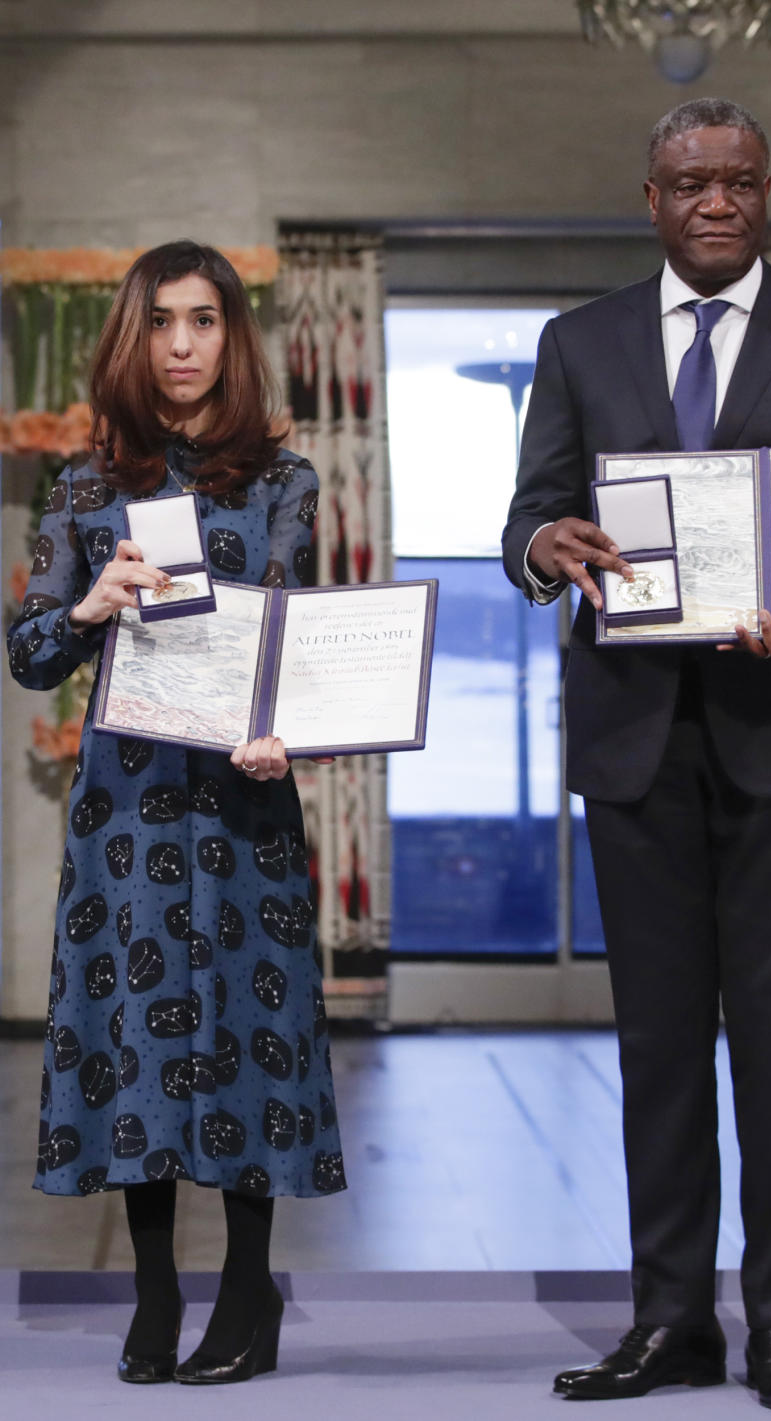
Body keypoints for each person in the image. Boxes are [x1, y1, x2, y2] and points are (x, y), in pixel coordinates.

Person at [502, 99, 771, 1414]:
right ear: (652, 196)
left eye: (739, 180)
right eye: (692, 182)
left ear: (768, 191)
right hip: (634, 742)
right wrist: (542, 548)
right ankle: (670, 1318)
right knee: (659, 1047)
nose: (716, 200)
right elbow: (531, 515)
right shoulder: (579, 341)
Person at [8, 241, 345, 1385]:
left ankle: (250, 1290)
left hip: (244, 803)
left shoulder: (286, 482)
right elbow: (28, 653)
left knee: (249, 1037)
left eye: (204, 320)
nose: (185, 344)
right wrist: (94, 604)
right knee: (138, 1040)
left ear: (232, 335)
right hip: (131, 814)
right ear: (132, 337)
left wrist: (285, 723)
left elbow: (301, 644)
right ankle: (154, 1292)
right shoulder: (89, 487)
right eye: (161, 322)